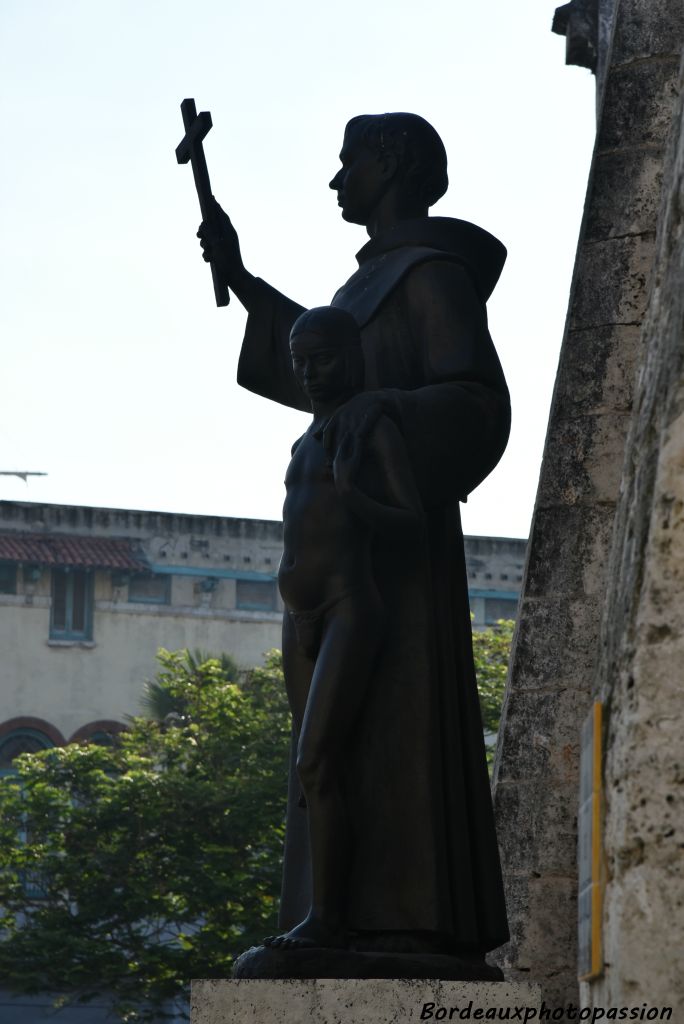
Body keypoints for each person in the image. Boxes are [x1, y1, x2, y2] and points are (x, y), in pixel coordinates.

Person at [197, 112, 511, 959]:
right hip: (338, 571)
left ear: (392, 163)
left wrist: (388, 408)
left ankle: (385, 926)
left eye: (348, 164)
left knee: (361, 747)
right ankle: (336, 917)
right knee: (327, 761)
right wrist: (246, 280)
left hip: (393, 569)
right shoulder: (369, 285)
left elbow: (478, 406)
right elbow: (328, 370)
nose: (337, 182)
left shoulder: (432, 275)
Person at [271, 305, 423, 950]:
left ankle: (329, 918)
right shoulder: (306, 437)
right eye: (300, 361)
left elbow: (413, 521)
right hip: (297, 616)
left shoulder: (368, 429)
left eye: (323, 358)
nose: (309, 372)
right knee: (311, 775)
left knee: (318, 757)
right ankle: (324, 909)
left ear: (352, 356)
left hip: (348, 608)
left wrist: (352, 492)